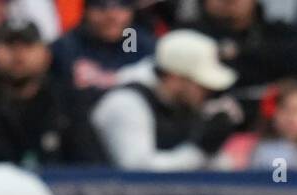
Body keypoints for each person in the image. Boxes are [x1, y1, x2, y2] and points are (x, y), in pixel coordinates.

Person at [0, 18, 104, 165]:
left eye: (28, 45)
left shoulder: (67, 102)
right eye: (9, 44)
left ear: (47, 55)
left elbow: (91, 170)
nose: (18, 54)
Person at [90, 29, 243, 170]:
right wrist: (199, 152)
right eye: (201, 85)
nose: (208, 92)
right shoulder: (126, 103)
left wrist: (213, 151)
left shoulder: (180, 104)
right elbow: (137, 170)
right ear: (175, 78)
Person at [49, 0, 157, 95]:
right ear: (86, 11)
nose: (111, 16)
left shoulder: (140, 43)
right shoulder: (66, 47)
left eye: (120, 6)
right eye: (101, 7)